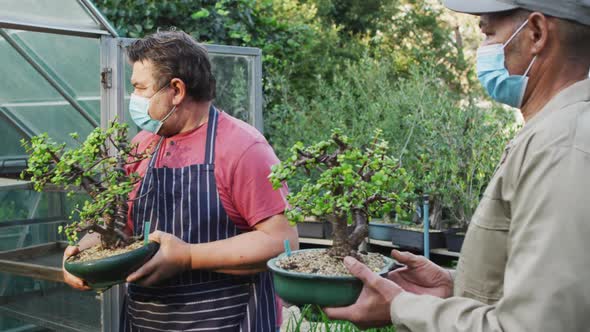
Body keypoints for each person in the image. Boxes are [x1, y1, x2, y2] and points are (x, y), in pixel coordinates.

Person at [324, 1, 590, 331]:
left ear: (536, 33)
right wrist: (454, 287)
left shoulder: (563, 145)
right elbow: (539, 289)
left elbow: (535, 325)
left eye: (489, 33)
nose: (483, 50)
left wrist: (403, 307)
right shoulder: (553, 131)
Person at [62, 31, 298, 331]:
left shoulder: (242, 148)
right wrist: (85, 253)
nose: (134, 98)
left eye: (140, 88)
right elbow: (120, 224)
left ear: (176, 90)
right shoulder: (143, 144)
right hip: (146, 320)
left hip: (227, 320)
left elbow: (282, 240)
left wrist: (187, 257)